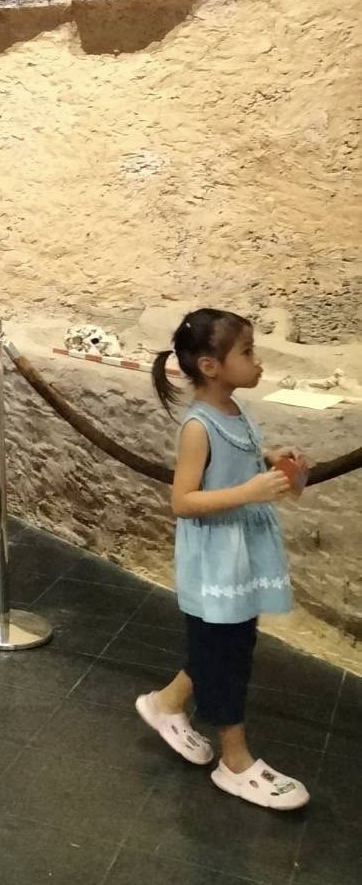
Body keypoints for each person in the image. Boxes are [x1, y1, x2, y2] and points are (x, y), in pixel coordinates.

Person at [136, 308, 310, 810]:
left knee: (228, 642)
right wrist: (249, 491)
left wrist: (272, 462)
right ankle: (234, 762)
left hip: (241, 553)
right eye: (248, 352)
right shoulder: (198, 426)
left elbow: (238, 466)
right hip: (216, 557)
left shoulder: (237, 412)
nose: (258, 362)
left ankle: (167, 703)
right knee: (225, 653)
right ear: (211, 366)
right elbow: (183, 500)